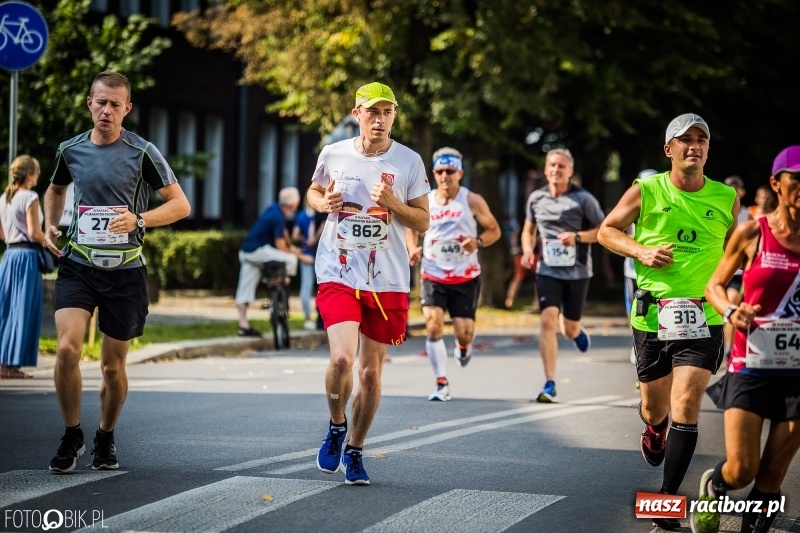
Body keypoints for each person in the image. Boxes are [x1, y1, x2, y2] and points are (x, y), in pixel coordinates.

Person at [42, 71, 191, 473]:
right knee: (68, 349)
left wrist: (138, 220)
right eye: (100, 102)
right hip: (78, 264)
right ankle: (72, 433)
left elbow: (181, 205)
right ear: (89, 103)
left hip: (125, 271)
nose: (107, 110)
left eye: (115, 104)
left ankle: (105, 436)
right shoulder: (70, 150)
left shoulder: (142, 152)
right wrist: (51, 224)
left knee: (112, 366)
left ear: (127, 109)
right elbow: (55, 190)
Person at [597, 113, 738, 530]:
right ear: (669, 149)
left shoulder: (727, 198)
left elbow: (741, 251)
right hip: (653, 315)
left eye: (701, 139)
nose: (693, 146)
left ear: (708, 148)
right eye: (685, 140)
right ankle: (655, 430)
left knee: (687, 401)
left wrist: (737, 297)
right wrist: (640, 251)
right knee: (654, 406)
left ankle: (667, 497)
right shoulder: (647, 189)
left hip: (705, 316)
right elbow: (607, 230)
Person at [306, 81, 430, 485]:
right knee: (341, 359)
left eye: (387, 112)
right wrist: (323, 203)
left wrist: (394, 203)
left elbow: (424, 221)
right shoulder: (334, 153)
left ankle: (355, 449)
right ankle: (337, 424)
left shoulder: (410, 161)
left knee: (371, 374)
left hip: (387, 279)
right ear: (356, 114)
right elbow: (314, 189)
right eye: (371, 112)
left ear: (394, 115)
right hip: (338, 270)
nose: (379, 119)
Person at [689, 146, 800, 533]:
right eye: (797, 179)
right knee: (743, 468)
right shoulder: (755, 231)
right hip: (751, 365)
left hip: (797, 372)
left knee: (771, 476)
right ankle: (715, 486)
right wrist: (730, 311)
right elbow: (715, 285)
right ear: (776, 184)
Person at [406, 147, 501, 401]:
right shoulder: (425, 199)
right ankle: (441, 383)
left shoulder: (472, 200)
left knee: (464, 331)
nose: (445, 176)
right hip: (433, 273)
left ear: (460, 173)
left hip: (465, 275)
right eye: (440, 171)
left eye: (450, 171)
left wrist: (477, 242)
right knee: (433, 325)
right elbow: (412, 225)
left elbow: (494, 230)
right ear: (434, 174)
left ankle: (463, 346)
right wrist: (412, 248)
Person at [520, 148, 604, 403]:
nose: (556, 170)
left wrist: (577, 237)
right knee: (547, 320)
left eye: (561, 166)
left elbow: (603, 230)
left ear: (570, 171)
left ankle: (576, 332)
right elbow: (528, 229)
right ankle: (550, 382)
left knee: (567, 328)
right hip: (547, 270)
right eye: (552, 166)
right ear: (546, 169)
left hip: (577, 271)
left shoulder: (583, 199)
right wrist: (526, 251)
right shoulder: (536, 198)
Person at [235, 186, 310, 337]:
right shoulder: (278, 217)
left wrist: (292, 247)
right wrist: (299, 256)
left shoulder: (273, 208)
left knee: (244, 290)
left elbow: (284, 234)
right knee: (290, 260)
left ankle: (243, 325)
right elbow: (280, 246)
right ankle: (284, 279)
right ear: (294, 204)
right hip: (258, 251)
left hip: (246, 252)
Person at [0, 155, 45, 379]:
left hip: (9, 256)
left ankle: (3, 364)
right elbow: (35, 233)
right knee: (23, 310)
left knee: (6, 310)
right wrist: (49, 240)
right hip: (27, 257)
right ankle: (11, 366)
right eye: (36, 172)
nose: (38, 176)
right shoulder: (30, 196)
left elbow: (2, 233)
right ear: (29, 176)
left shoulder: (4, 197)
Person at [624, 169, 659, 367]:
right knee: (635, 310)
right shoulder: (632, 203)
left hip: (656, 270)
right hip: (632, 269)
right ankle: (637, 344)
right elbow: (613, 232)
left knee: (655, 309)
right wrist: (638, 247)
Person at [722, 175, 752, 359]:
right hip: (716, 268)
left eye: (735, 188)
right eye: (728, 187)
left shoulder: (748, 214)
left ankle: (728, 347)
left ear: (742, 192)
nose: (732, 191)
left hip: (737, 271)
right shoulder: (714, 206)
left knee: (731, 305)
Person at [292, 199, 322, 330]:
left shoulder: (302, 215)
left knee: (306, 288)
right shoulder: (320, 215)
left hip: (307, 255)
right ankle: (320, 317)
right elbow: (313, 239)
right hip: (319, 255)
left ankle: (307, 318)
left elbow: (295, 236)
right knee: (321, 288)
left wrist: (303, 240)